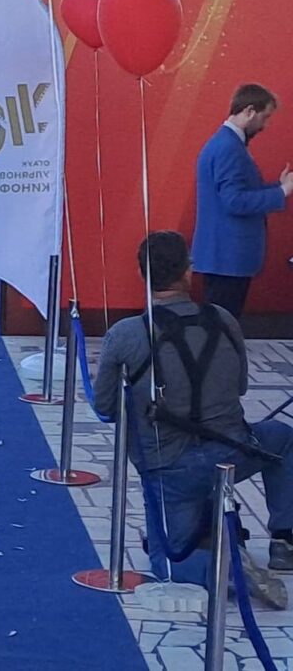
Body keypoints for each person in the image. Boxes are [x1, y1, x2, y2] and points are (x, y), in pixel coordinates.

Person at [94, 231, 293, 608]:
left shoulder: (126, 334)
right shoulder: (224, 320)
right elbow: (240, 386)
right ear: (188, 272)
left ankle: (228, 568)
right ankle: (285, 539)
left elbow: (104, 407)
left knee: (168, 562)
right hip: (235, 453)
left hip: (171, 470)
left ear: (142, 276)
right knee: (283, 437)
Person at [191, 84, 293, 320]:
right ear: (249, 111)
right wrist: (282, 192)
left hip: (223, 256)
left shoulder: (226, 143)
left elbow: (237, 193)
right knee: (223, 326)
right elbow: (234, 201)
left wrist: (278, 188)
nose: (265, 125)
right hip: (228, 257)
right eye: (265, 117)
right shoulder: (229, 148)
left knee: (221, 325)